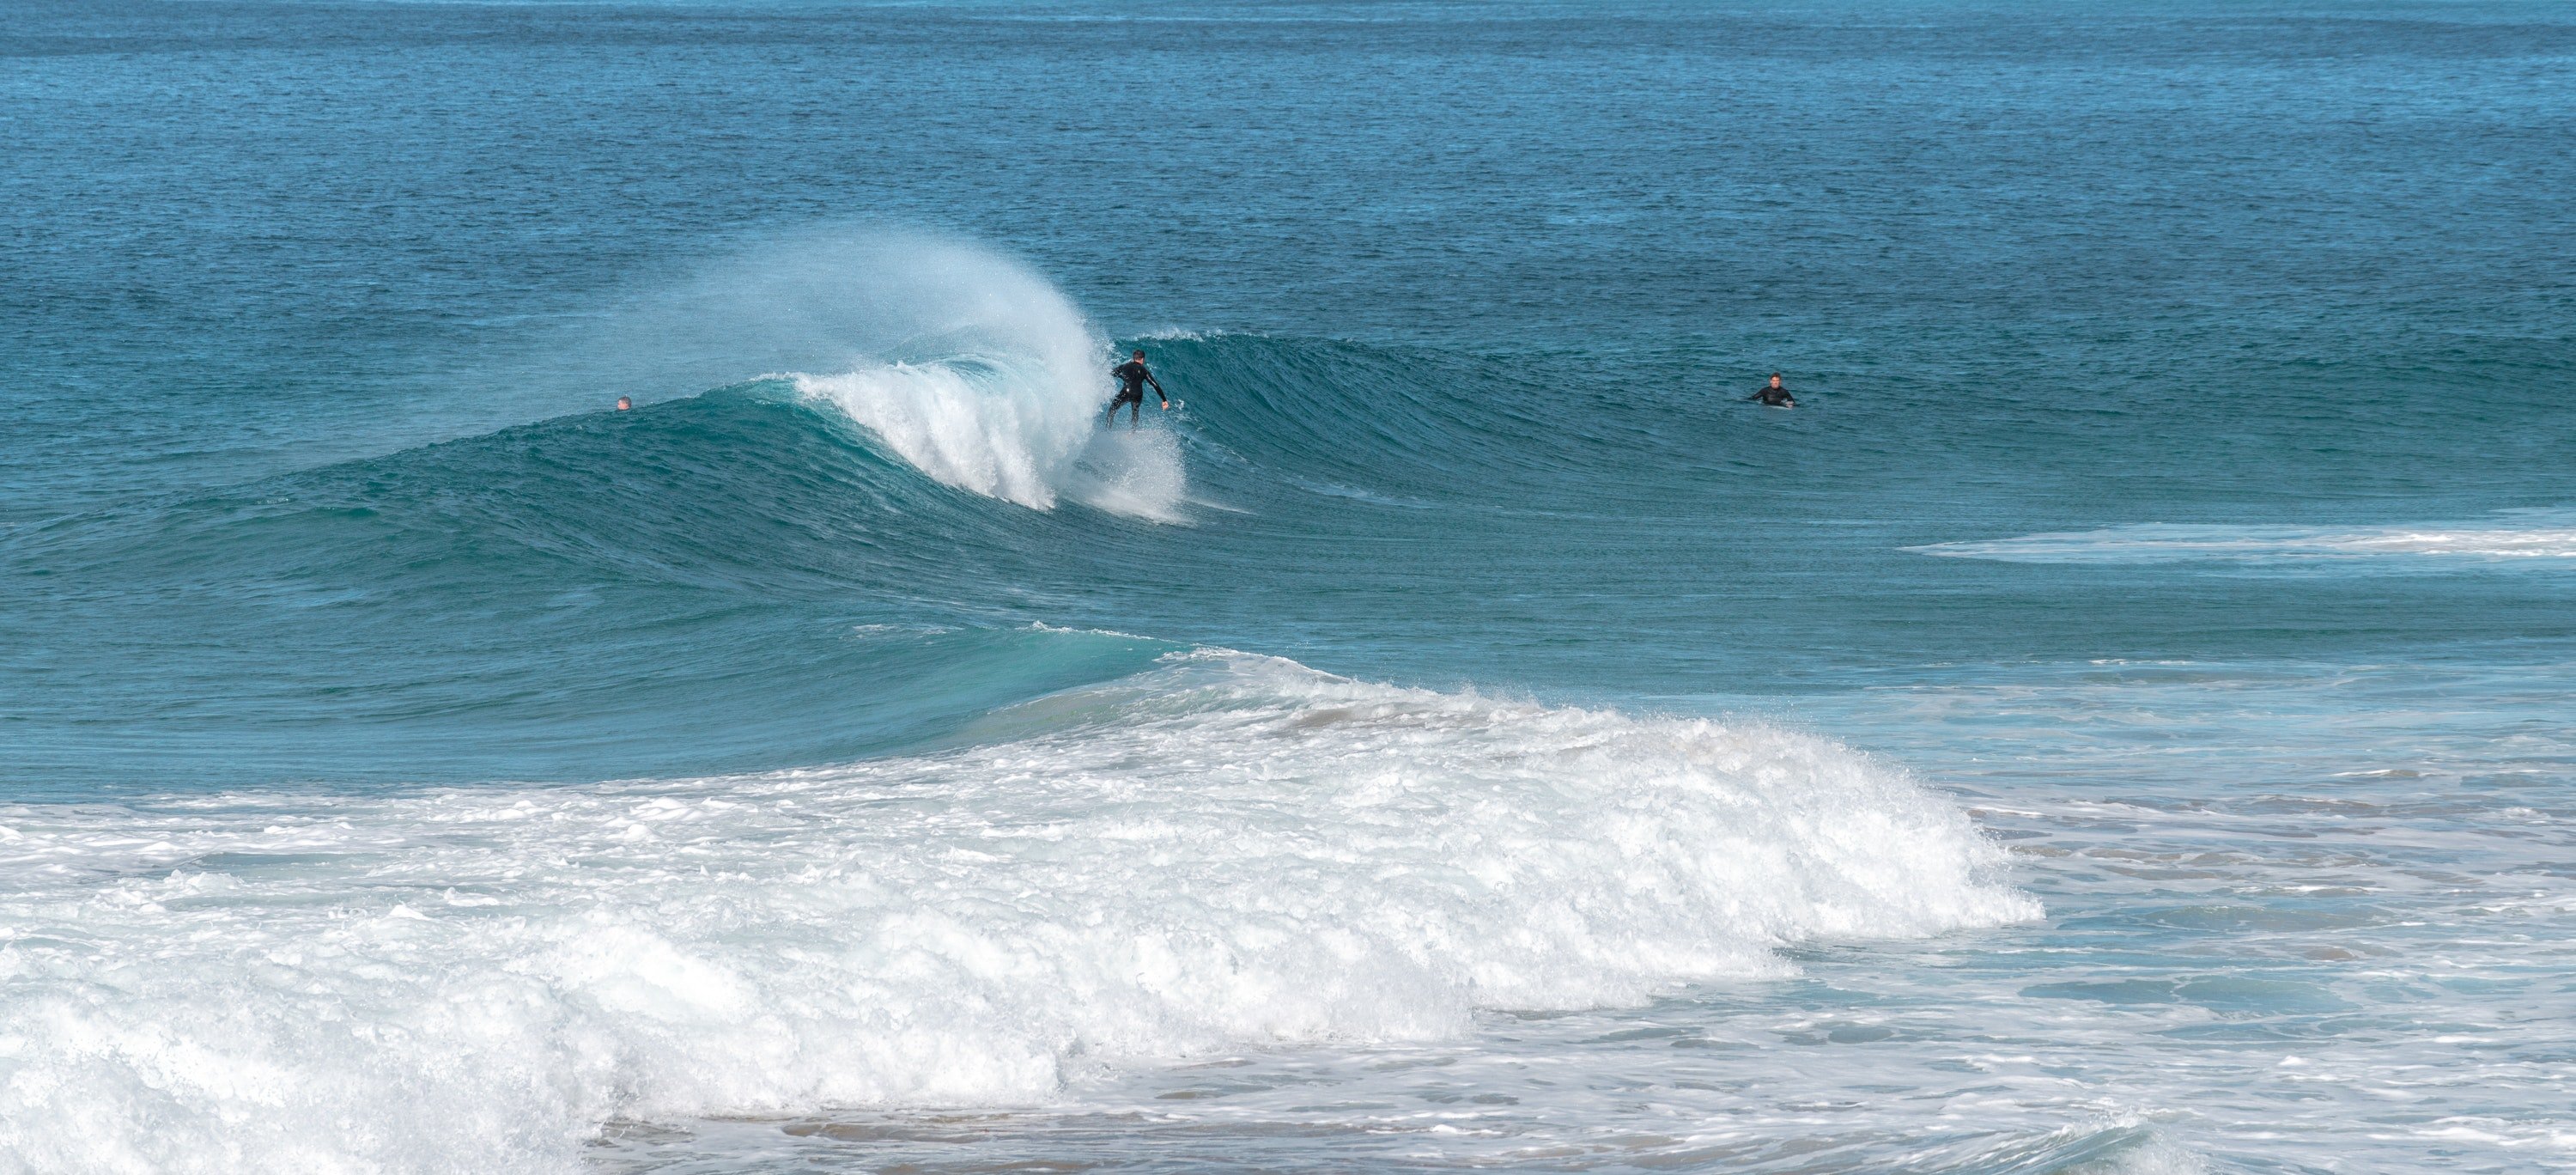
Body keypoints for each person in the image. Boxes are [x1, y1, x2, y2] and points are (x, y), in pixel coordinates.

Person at [1106, 350, 1170, 429]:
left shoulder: (1124, 366)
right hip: (1138, 395)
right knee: (1135, 413)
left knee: (1112, 410)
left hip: (1126, 392)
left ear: (1134, 358)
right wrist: (1164, 400)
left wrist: (1121, 376)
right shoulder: (1144, 370)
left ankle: (1108, 429)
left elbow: (1112, 373)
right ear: (1142, 359)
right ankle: (1132, 432)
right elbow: (1155, 385)